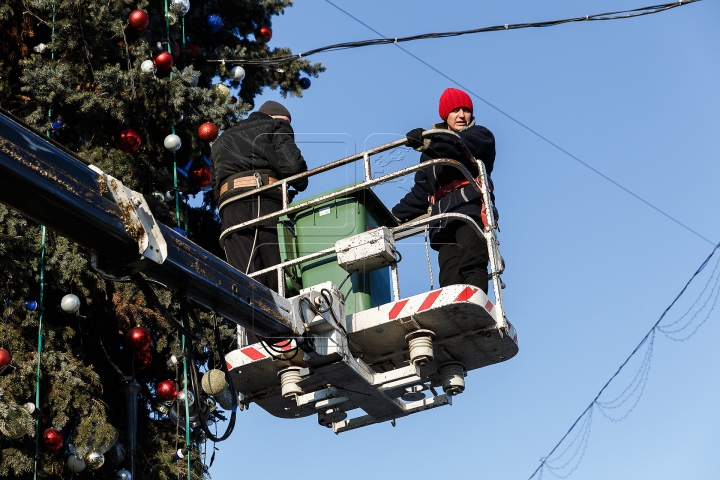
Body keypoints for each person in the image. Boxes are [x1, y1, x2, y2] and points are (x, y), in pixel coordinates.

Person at [391, 88, 496, 294]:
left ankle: (475, 309)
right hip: (442, 222)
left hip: (469, 213)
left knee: (471, 263)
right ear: (445, 115)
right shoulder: (430, 154)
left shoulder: (479, 136)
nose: (461, 115)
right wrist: (388, 218)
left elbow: (460, 148)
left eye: (465, 110)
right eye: (455, 110)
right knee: (449, 275)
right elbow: (421, 194)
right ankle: (457, 318)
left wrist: (429, 141)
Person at [211, 100, 308, 293]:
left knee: (245, 277)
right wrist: (300, 182)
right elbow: (294, 168)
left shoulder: (222, 139)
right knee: (278, 276)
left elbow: (215, 186)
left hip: (230, 207)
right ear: (277, 118)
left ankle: (251, 319)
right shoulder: (275, 126)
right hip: (265, 201)